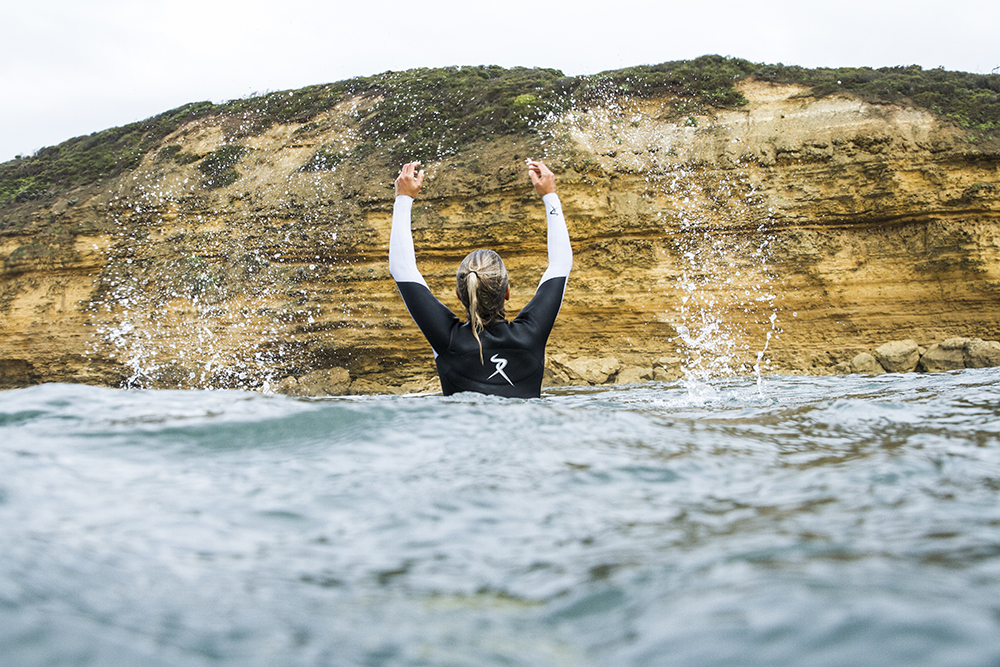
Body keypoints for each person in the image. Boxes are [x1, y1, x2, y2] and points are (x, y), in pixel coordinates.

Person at [389, 160, 572, 398]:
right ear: (507, 291)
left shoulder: (448, 340)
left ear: (459, 293)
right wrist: (550, 195)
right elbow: (560, 264)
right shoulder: (531, 334)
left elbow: (402, 268)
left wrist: (403, 198)